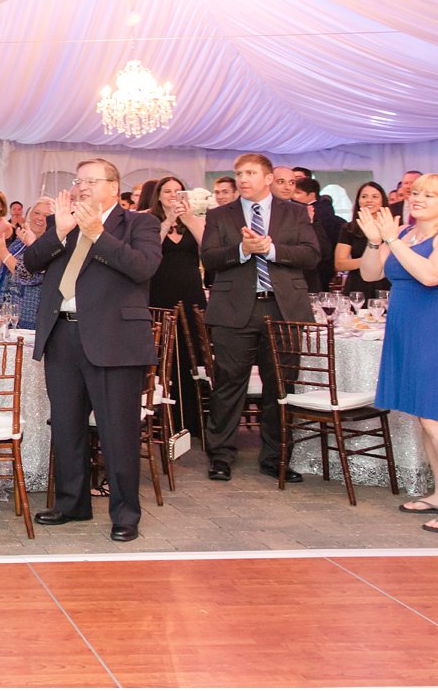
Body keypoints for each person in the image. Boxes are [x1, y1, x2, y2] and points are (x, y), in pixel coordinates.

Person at [25, 159, 162, 543]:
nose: (82, 187)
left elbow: (143, 268)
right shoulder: (62, 222)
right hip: (62, 336)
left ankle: (125, 514)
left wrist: (97, 233)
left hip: (114, 340)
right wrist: (61, 232)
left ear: (113, 187)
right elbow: (31, 264)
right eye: (78, 180)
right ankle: (72, 503)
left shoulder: (139, 224)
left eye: (90, 181)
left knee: (117, 432)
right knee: (66, 426)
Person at [356, 175, 438, 533]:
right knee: (424, 419)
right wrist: (374, 243)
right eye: (415, 193)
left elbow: (431, 276)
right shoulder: (409, 235)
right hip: (409, 331)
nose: (418, 199)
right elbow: (371, 274)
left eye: (430, 194)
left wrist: (393, 240)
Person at [199, 153, 320, 484]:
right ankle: (220, 455)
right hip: (234, 309)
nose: (243, 178)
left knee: (281, 386)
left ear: (268, 178)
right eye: (239, 173)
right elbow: (208, 257)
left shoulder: (294, 213)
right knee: (228, 385)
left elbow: (311, 255)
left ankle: (277, 456)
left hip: (283, 309)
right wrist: (242, 251)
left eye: (250, 172)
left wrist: (270, 250)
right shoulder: (220, 215)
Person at [147, 175, 207, 439]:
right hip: (159, 294)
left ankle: (191, 419)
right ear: (158, 195)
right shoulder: (148, 221)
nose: (173, 195)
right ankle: (161, 418)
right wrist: (168, 221)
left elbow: (209, 249)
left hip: (190, 292)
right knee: (163, 357)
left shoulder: (194, 220)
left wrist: (189, 219)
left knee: (190, 355)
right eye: (168, 191)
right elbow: (149, 252)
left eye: (178, 191)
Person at [0, 203, 47, 329]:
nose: (40, 218)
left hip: (28, 317)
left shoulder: (49, 246)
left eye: (46, 215)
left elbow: (30, 276)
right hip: (6, 312)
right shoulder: (19, 242)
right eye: (37, 213)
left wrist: (3, 253)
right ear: (29, 216)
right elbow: (0, 274)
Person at [334, 182, 392, 298]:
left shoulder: (392, 227)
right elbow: (340, 264)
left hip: (387, 285)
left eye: (375, 197)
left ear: (382, 201)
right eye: (364, 196)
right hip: (358, 286)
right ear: (358, 201)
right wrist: (371, 260)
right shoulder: (349, 229)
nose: (369, 200)